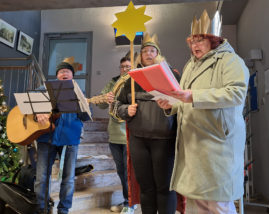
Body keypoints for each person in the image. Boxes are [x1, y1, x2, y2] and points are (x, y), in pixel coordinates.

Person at [157, 10, 249, 214]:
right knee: (195, 203)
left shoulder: (230, 61)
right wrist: (172, 105)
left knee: (217, 204)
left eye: (200, 41)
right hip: (192, 143)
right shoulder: (191, 65)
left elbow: (236, 93)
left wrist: (193, 96)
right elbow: (185, 97)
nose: (194, 46)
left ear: (213, 40)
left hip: (216, 143)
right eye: (192, 41)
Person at [117, 33, 180, 214]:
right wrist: (125, 110)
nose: (149, 53)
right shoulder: (130, 79)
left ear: (158, 54)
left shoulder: (172, 74)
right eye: (145, 51)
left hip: (164, 138)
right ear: (140, 56)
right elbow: (118, 105)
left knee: (165, 187)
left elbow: (182, 103)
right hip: (139, 139)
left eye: (153, 50)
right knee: (145, 187)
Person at [34, 57, 91, 214]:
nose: (64, 73)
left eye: (67, 71)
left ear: (72, 75)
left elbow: (86, 118)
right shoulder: (44, 88)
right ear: (57, 75)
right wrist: (37, 113)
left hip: (70, 138)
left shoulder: (80, 92)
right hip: (46, 138)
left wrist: (84, 106)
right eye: (61, 71)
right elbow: (29, 105)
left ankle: (63, 210)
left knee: (68, 179)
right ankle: (41, 209)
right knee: (41, 178)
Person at [96, 55, 136, 214]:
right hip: (114, 134)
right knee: (121, 171)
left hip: (129, 133)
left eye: (128, 66)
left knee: (128, 171)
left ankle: (130, 203)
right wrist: (106, 98)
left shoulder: (135, 83)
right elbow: (100, 105)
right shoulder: (112, 83)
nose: (125, 69)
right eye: (123, 67)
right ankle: (128, 201)